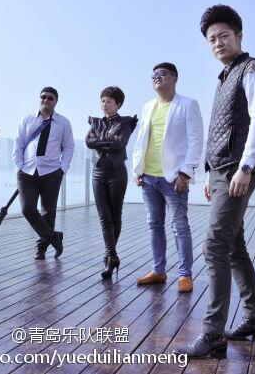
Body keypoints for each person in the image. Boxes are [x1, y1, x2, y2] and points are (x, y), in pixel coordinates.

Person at [173, 5, 255, 358]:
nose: (217, 43)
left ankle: (213, 334)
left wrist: (245, 167)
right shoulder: (224, 76)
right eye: (212, 39)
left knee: (214, 246)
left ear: (239, 36)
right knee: (233, 247)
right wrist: (209, 171)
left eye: (224, 36)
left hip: (236, 171)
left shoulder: (253, 69)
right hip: (220, 172)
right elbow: (221, 128)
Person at [132, 62, 204, 292]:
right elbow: (141, 140)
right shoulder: (148, 107)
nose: (157, 77)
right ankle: (158, 271)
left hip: (174, 178)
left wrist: (186, 172)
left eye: (162, 74)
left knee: (179, 225)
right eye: (153, 74)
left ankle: (185, 275)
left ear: (174, 78)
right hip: (148, 177)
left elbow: (196, 141)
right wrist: (137, 169)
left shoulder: (188, 104)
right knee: (154, 225)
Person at [13, 87, 74, 260]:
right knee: (27, 209)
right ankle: (54, 237)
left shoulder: (63, 122)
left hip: (52, 172)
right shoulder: (27, 119)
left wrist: (63, 168)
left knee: (48, 212)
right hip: (27, 172)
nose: (46, 100)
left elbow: (69, 146)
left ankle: (41, 248)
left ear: (56, 101)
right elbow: (18, 144)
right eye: (43, 97)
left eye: (50, 98)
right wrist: (18, 167)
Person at [85, 87, 138, 279]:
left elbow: (119, 144)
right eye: (102, 101)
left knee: (115, 216)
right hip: (98, 173)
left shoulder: (125, 122)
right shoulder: (95, 122)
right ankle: (112, 256)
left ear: (118, 104)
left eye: (108, 101)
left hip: (117, 174)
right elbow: (88, 143)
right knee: (104, 218)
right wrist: (107, 140)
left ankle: (109, 257)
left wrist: (99, 141)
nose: (104, 104)